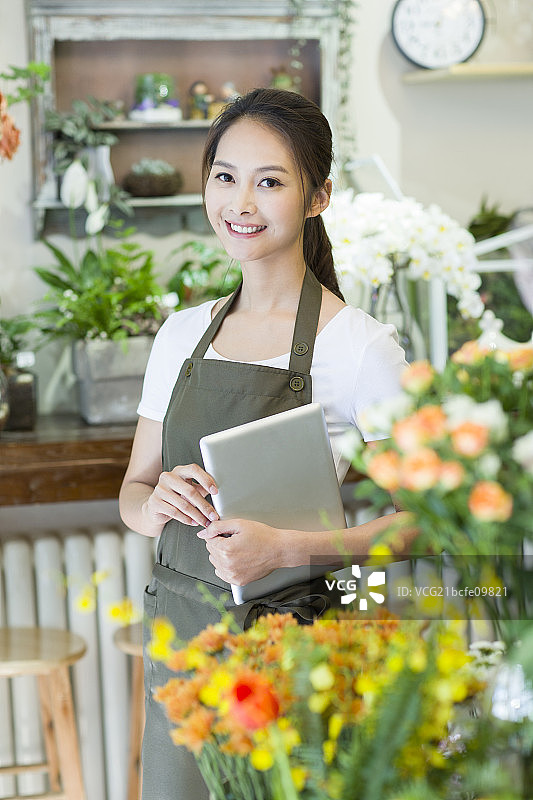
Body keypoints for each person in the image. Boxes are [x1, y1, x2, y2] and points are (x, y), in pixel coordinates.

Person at [119, 87, 416, 800]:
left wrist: (284, 551)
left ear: (318, 197)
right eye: (224, 176)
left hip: (294, 650)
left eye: (270, 182)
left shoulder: (359, 348)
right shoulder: (180, 335)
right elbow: (131, 494)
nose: (240, 203)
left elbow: (426, 523)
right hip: (182, 646)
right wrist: (154, 504)